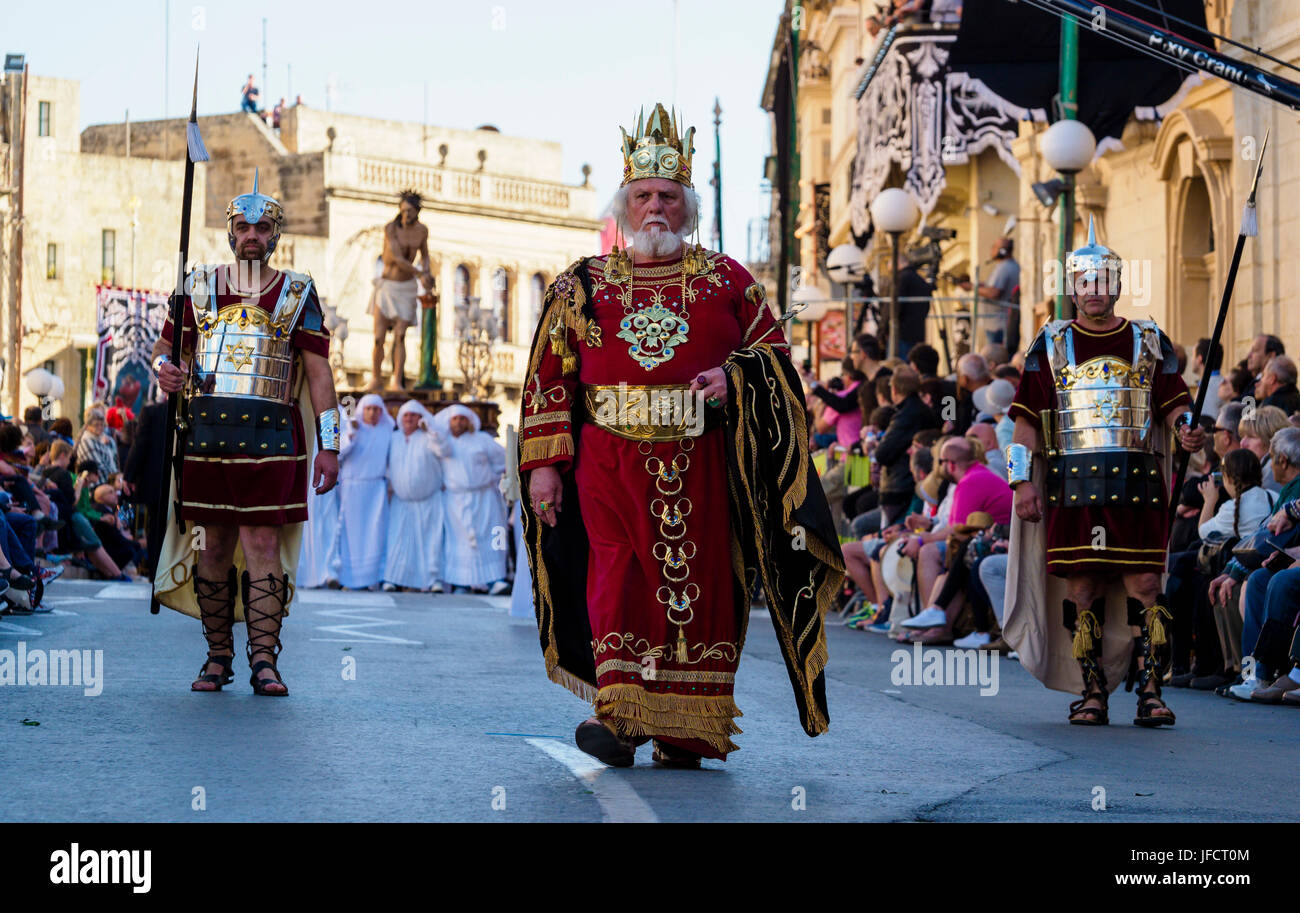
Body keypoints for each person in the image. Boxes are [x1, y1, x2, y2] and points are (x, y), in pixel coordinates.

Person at [519, 104, 843, 768]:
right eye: (642, 196)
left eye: (668, 195)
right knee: (616, 578)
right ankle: (618, 716)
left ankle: (684, 728)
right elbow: (551, 378)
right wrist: (544, 466)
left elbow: (779, 363)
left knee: (695, 587)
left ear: (688, 204)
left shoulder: (730, 281)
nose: (655, 207)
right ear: (624, 204)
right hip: (606, 457)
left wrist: (737, 378)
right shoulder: (581, 284)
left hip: (701, 460)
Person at [1002, 217, 1204, 727]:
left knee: (1146, 589)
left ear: (1117, 285)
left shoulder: (1148, 340)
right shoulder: (1049, 345)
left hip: (1137, 485)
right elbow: (1025, 424)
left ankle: (1151, 691)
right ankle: (1093, 691)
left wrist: (1188, 431)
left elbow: (1174, 405)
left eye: (1104, 281)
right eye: (1085, 282)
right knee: (1083, 590)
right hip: (1075, 487)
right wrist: (1022, 483)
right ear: (1074, 287)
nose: (1095, 290)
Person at [151, 170, 341, 696]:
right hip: (206, 435)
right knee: (211, 549)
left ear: (274, 235)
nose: (251, 235)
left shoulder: (297, 292)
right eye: (243, 226)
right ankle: (217, 656)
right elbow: (170, 355)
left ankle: (265, 662)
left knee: (262, 546)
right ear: (230, 233)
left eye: (261, 227)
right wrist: (164, 372)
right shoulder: (196, 287)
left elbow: (320, 372)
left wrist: (332, 446)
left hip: (273, 437)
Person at [434, 404, 507, 595]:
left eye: (462, 418)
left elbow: (503, 460)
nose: (459, 422)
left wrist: (492, 478)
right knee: (459, 542)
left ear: (469, 421)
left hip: (484, 499)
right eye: (455, 419)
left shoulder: (482, 440)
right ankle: (461, 583)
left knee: (489, 539)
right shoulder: (444, 443)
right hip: (455, 501)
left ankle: (495, 580)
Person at [368, 190, 435, 392]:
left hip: (406, 288)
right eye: (403, 210)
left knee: (400, 336)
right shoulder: (391, 228)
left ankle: (397, 380)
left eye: (410, 211)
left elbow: (425, 255)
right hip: (388, 285)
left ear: (417, 212)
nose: (406, 215)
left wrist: (428, 272)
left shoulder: (422, 231)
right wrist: (420, 273)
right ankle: (376, 377)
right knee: (379, 336)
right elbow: (397, 257)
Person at [382, 400, 445, 592]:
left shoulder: (428, 437)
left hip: (429, 499)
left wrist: (429, 432)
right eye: (406, 415)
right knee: (398, 541)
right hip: (401, 501)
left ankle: (433, 580)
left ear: (421, 417)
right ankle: (393, 579)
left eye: (414, 415)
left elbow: (443, 450)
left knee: (430, 541)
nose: (409, 419)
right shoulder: (394, 438)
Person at [336, 393, 393, 589]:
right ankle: (348, 579)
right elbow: (339, 454)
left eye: (376, 409)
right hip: (353, 488)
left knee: (376, 533)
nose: (372, 413)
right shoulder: (352, 428)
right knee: (350, 534)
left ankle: (373, 578)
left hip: (377, 489)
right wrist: (351, 434)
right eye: (368, 409)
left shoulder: (387, 430)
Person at [960, 237, 1020, 351]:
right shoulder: (1006, 266)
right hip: (997, 323)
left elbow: (994, 292)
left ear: (1003, 251)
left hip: (998, 324)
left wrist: (972, 287)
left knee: (996, 357)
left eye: (995, 247)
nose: (992, 250)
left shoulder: (1005, 268)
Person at [75, 406, 119, 478]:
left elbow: (115, 457)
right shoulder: (87, 442)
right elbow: (99, 468)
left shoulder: (102, 439)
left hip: (109, 481)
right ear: (88, 426)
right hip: (96, 484)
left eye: (102, 425)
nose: (100, 428)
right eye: (96, 425)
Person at [1193, 337, 1224, 421]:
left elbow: (1204, 423)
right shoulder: (1220, 382)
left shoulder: (1207, 389)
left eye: (1193, 355)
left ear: (1199, 359)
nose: (1192, 360)